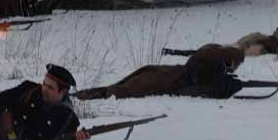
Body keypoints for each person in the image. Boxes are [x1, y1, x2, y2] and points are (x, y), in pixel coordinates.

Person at [75, 44, 246, 100]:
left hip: (167, 74)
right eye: (234, 64)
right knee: (121, 90)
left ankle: (84, 94)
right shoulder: (211, 56)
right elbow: (198, 86)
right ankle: (83, 95)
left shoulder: (213, 55)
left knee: (125, 85)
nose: (233, 68)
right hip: (167, 80)